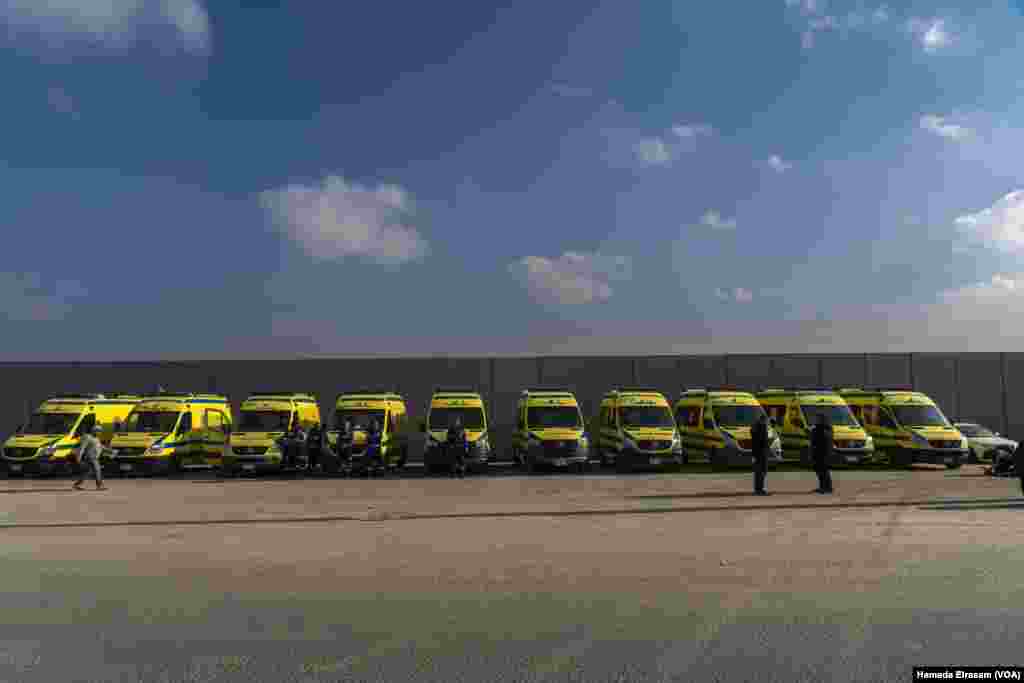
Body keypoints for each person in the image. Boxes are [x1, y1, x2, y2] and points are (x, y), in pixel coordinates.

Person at [72, 423, 107, 491]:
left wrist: (109, 450)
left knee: (86, 473)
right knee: (97, 470)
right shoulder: (88, 437)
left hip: (94, 457)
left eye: (100, 431)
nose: (100, 432)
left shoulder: (96, 438)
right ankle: (99, 486)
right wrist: (79, 456)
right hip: (90, 457)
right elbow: (82, 447)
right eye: (99, 431)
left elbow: (100, 447)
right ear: (94, 430)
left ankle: (77, 485)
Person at [810, 413, 834, 494]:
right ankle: (823, 487)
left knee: (823, 470)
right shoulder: (821, 428)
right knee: (820, 470)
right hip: (820, 453)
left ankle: (826, 488)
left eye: (817, 418)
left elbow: (821, 440)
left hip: (822, 453)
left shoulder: (823, 429)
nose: (815, 420)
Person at [751, 413, 770, 495]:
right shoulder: (762, 426)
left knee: (757, 471)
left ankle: (757, 489)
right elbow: (764, 440)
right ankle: (761, 489)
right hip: (762, 452)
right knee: (762, 471)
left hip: (756, 452)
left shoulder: (754, 427)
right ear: (764, 420)